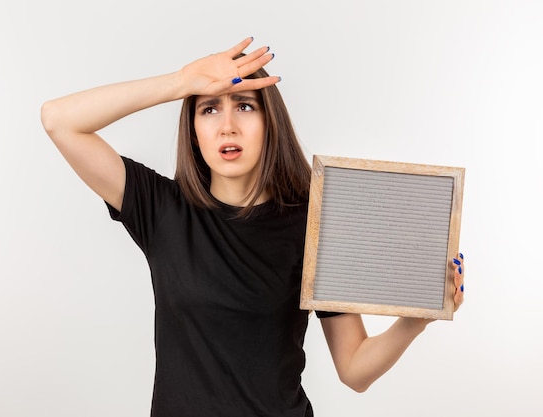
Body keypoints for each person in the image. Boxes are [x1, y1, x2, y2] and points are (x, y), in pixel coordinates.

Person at [41, 37, 465, 417]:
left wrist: (418, 318)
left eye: (245, 105)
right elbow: (59, 120)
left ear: (268, 123)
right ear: (193, 132)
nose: (228, 125)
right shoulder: (161, 209)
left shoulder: (312, 224)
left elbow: (354, 369)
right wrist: (181, 82)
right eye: (210, 109)